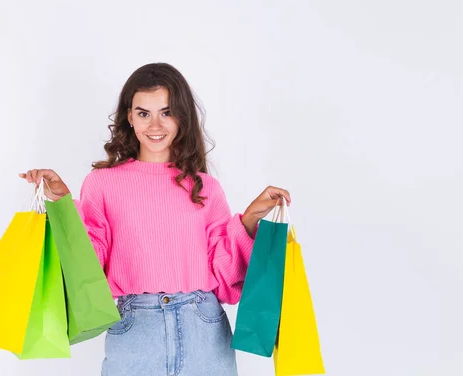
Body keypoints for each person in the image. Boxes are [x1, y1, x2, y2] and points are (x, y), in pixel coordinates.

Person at [20, 63, 290, 375]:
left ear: (181, 117)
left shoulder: (205, 187)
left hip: (203, 329)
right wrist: (61, 201)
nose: (155, 124)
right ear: (129, 117)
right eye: (143, 113)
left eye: (166, 111)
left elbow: (225, 273)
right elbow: (88, 264)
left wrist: (251, 216)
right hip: (135, 332)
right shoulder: (102, 184)